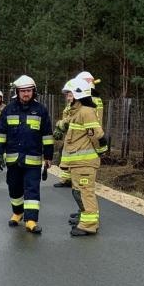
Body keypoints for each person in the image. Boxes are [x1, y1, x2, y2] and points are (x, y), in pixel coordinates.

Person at [0, 74, 54, 234]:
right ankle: (18, 212)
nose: (26, 94)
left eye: (29, 91)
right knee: (14, 187)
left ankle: (31, 220)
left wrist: (48, 156)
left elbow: (47, 135)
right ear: (17, 92)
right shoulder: (8, 110)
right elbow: (0, 134)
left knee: (32, 189)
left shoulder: (41, 111)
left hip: (33, 160)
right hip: (13, 160)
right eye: (23, 91)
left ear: (34, 92)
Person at [60, 76, 108, 237]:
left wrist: (101, 151)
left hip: (85, 163)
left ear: (79, 95)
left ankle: (89, 225)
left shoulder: (86, 112)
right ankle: (84, 218)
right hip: (78, 163)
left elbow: (97, 135)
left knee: (86, 192)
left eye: (70, 94)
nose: (67, 97)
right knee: (79, 192)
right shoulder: (77, 112)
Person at [52, 87, 75, 187]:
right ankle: (66, 179)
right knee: (65, 155)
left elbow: (69, 120)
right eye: (67, 96)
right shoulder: (69, 106)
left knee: (71, 157)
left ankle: (74, 180)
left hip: (76, 136)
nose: (68, 98)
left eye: (70, 95)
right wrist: (61, 129)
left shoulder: (79, 107)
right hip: (69, 135)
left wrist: (59, 125)